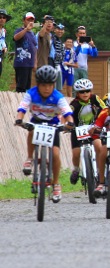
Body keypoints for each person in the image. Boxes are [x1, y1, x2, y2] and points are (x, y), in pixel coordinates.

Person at [14, 65, 74, 203]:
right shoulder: (31, 93)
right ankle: (29, 158)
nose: (46, 88)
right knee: (31, 129)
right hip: (37, 121)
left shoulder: (58, 96)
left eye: (49, 85)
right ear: (38, 84)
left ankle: (56, 183)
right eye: (43, 85)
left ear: (54, 84)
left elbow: (67, 112)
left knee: (56, 154)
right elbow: (22, 107)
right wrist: (19, 119)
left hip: (53, 125)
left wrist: (69, 123)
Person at [68, 78, 106, 185]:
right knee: (76, 153)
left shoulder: (95, 98)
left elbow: (105, 109)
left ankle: (100, 171)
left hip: (94, 128)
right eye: (82, 92)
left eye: (87, 91)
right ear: (77, 93)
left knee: (98, 146)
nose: (85, 94)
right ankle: (76, 169)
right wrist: (67, 124)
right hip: (78, 129)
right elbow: (67, 115)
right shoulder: (74, 104)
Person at [13, 12, 38, 92]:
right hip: (21, 63)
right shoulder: (19, 30)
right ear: (24, 20)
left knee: (27, 87)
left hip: (29, 63)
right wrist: (26, 29)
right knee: (21, 87)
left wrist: (35, 62)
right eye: (28, 20)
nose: (30, 22)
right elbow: (16, 38)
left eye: (32, 20)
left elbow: (34, 48)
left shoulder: (32, 34)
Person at [51, 22, 65, 90]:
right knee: (54, 83)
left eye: (62, 30)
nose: (60, 31)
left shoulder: (60, 41)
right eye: (58, 29)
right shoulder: (53, 39)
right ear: (55, 30)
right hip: (53, 64)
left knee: (59, 85)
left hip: (58, 64)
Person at [0, 8, 9, 78]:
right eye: (0, 17)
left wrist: (5, 48)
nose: (1, 19)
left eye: (4, 17)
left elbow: (2, 42)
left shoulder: (3, 31)